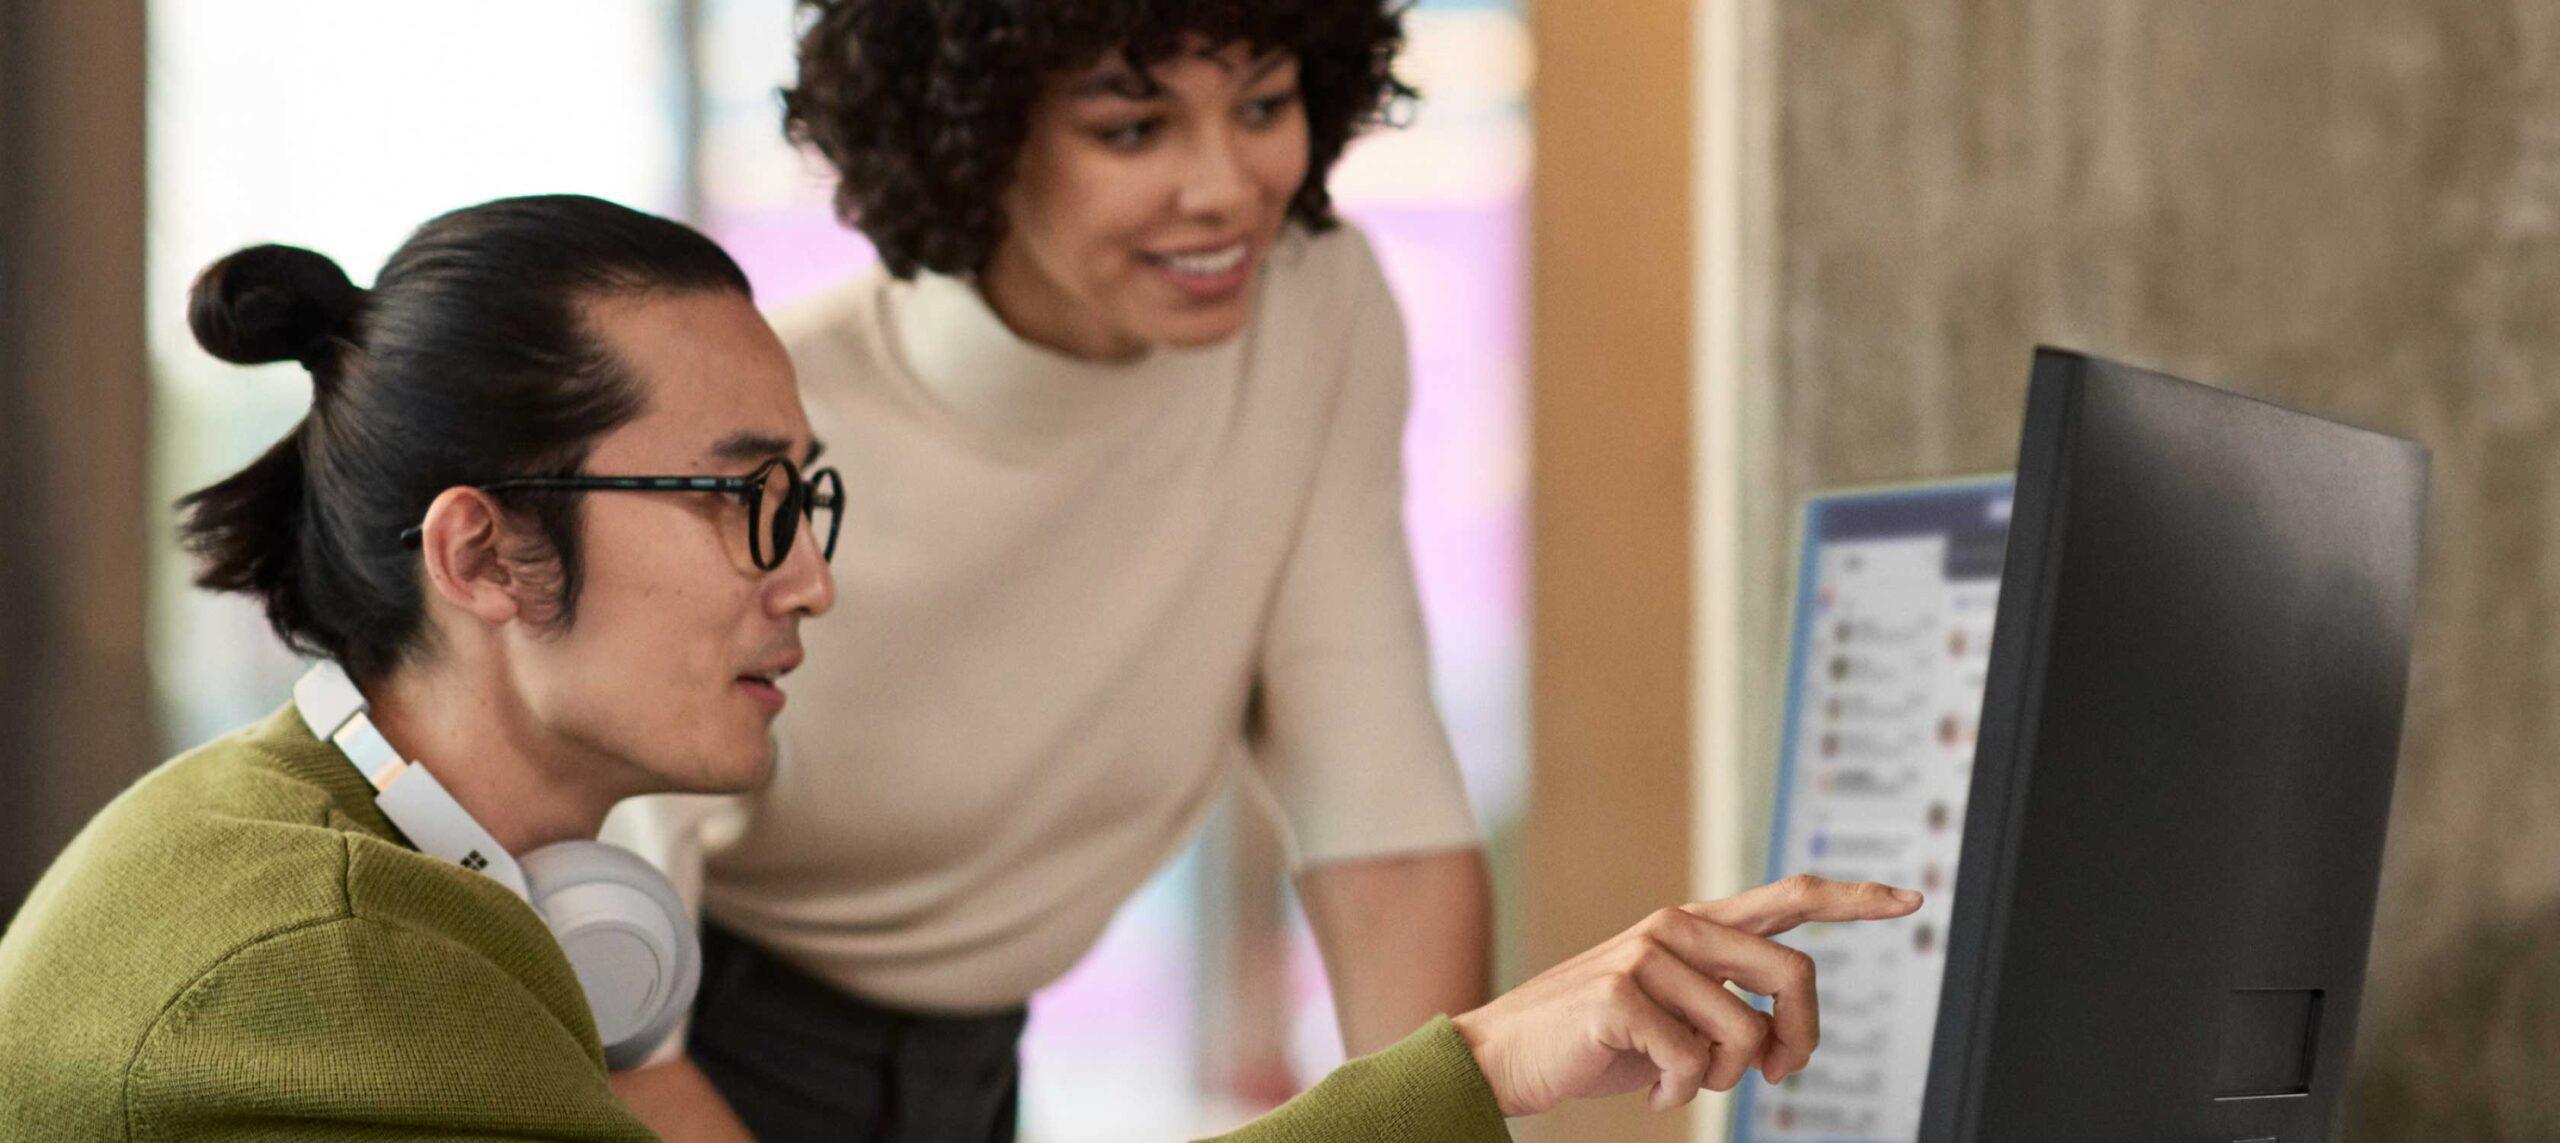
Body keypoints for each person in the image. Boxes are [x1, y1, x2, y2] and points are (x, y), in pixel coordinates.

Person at [0, 193, 1922, 1140]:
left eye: (811, 498)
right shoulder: (328, 972)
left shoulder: (391, 883)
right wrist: (1490, 1067)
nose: (810, 583)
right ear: (485, 549)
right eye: (747, 501)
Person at [607, 2, 1517, 1134]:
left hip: (977, 1070)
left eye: (1263, 107)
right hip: (691, 1056)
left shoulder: (1314, 309)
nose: (1226, 188)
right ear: (976, 139)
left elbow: (1381, 817)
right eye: (1134, 130)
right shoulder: (771, 425)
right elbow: (618, 1049)